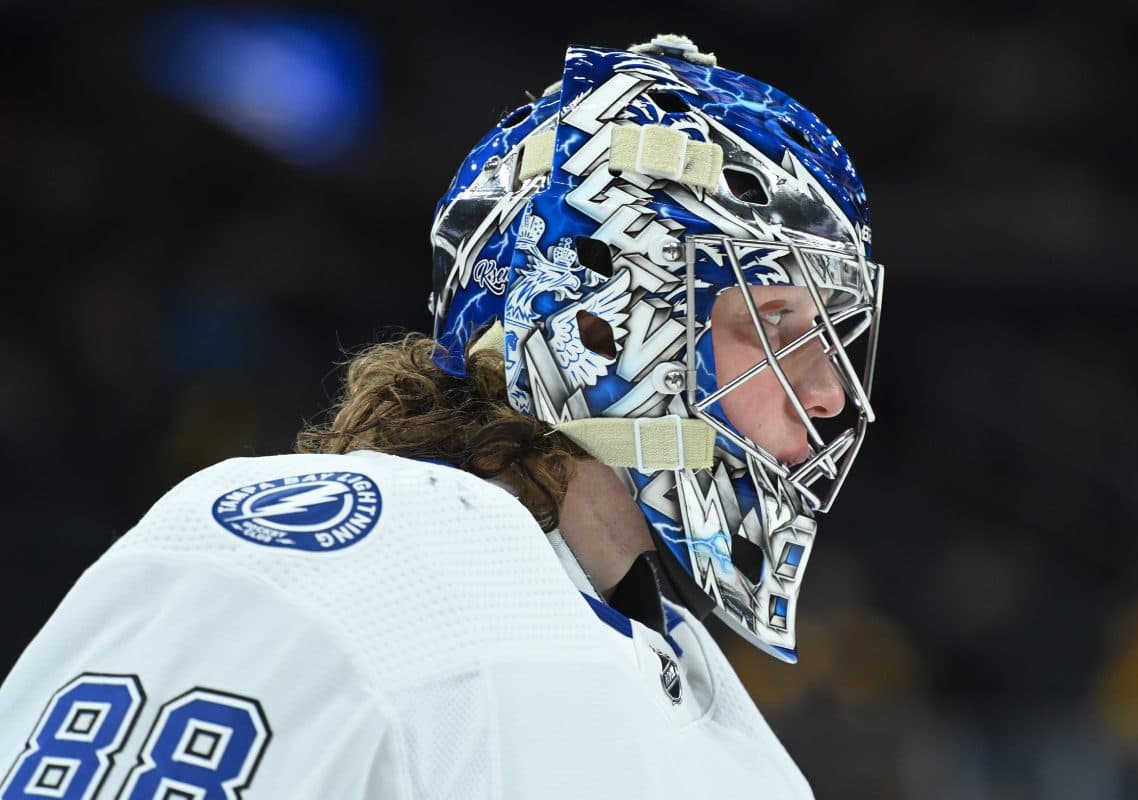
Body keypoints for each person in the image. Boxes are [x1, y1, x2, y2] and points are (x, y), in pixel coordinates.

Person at [0, 34, 882, 798]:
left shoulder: (712, 712)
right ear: (598, 323)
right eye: (771, 325)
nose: (829, 394)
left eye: (828, 337)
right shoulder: (346, 568)